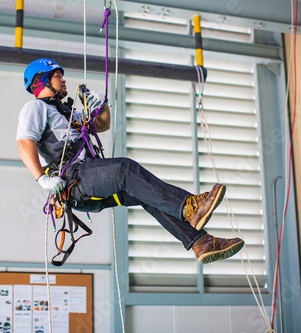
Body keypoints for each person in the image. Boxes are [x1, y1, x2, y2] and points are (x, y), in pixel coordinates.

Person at [16, 58, 244, 264]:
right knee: (125, 168)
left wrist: (100, 105)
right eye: (57, 75)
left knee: (148, 195)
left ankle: (200, 243)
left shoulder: (67, 112)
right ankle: (188, 206)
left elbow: (102, 125)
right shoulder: (35, 108)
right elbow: (25, 142)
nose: (63, 79)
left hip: (87, 180)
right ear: (42, 79)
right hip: (75, 179)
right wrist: (42, 178)